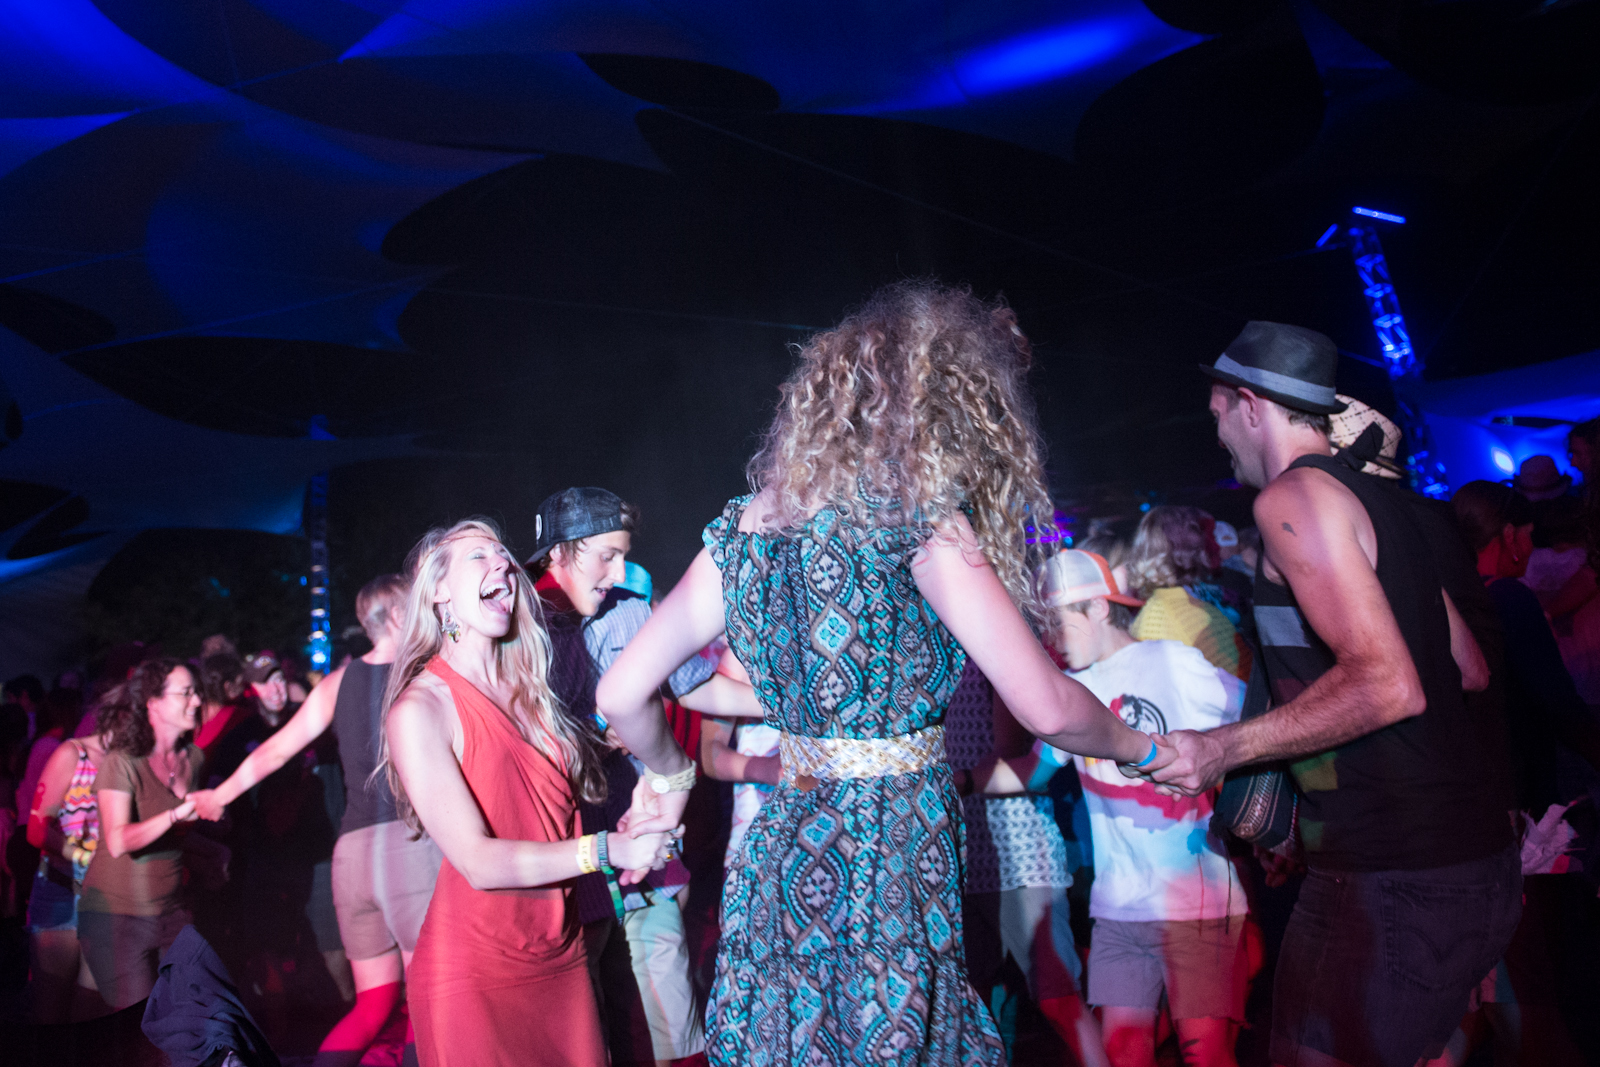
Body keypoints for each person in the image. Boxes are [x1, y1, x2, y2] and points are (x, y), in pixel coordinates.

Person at [594, 282, 1171, 1066]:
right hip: (891, 855)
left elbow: (621, 692)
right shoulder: (920, 522)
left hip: (782, 856)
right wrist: (1143, 748)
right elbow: (1048, 705)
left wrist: (668, 773)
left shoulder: (742, 529)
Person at [1152, 321, 1519, 1067]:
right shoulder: (1396, 508)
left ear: (1252, 404)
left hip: (1393, 876)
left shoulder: (1293, 498)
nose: (1217, 431)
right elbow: (1470, 668)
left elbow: (1388, 683)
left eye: (1218, 409)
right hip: (1475, 861)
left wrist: (1219, 747)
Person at [379, 518, 677, 1067]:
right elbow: (478, 862)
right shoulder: (421, 708)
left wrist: (633, 818)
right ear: (439, 590)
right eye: (478, 557)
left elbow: (550, 814)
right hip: (478, 975)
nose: (502, 564)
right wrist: (608, 850)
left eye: (503, 555)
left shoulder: (534, 696)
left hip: (562, 954)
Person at [528, 487, 750, 1067]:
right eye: (606, 554)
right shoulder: (519, 627)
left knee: (665, 972)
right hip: (561, 834)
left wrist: (785, 702)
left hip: (635, 817)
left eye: (624, 554)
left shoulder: (630, 607)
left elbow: (696, 685)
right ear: (559, 552)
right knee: (587, 995)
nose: (620, 570)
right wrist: (596, 737)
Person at [192, 574, 444, 1067]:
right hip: (409, 846)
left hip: (352, 856)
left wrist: (219, 794)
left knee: (373, 1003)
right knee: (426, 1000)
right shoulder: (424, 671)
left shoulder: (337, 682)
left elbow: (276, 749)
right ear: (397, 615)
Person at [1020, 550, 1248, 1067]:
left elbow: (1252, 725)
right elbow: (1030, 773)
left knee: (1205, 1054)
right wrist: (949, 778)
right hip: (1118, 906)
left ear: (1099, 609)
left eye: (1058, 620)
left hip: (1197, 901)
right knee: (1123, 1055)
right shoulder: (1071, 692)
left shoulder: (1170, 661)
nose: (1052, 636)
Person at [952, 660, 1107, 1067]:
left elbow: (1012, 752)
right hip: (960, 855)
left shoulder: (986, 656)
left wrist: (952, 776)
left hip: (1016, 853)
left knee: (1057, 996)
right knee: (975, 1002)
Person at [77, 657, 204, 1011]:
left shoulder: (193, 759)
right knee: (144, 1031)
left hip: (172, 913)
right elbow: (118, 840)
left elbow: (172, 837)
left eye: (197, 692)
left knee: (188, 1016)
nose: (197, 701)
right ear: (154, 703)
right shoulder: (123, 761)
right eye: (186, 693)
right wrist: (178, 812)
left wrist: (211, 849)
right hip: (117, 918)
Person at [22, 712, 110, 1022]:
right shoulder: (73, 754)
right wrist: (85, 856)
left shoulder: (135, 764)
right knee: (51, 1013)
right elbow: (37, 831)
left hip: (106, 900)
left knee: (90, 1014)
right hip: (61, 892)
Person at [1125, 505, 1250, 680]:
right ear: (1187, 545)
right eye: (1210, 536)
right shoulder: (1165, 613)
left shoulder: (1193, 597)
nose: (1215, 544)